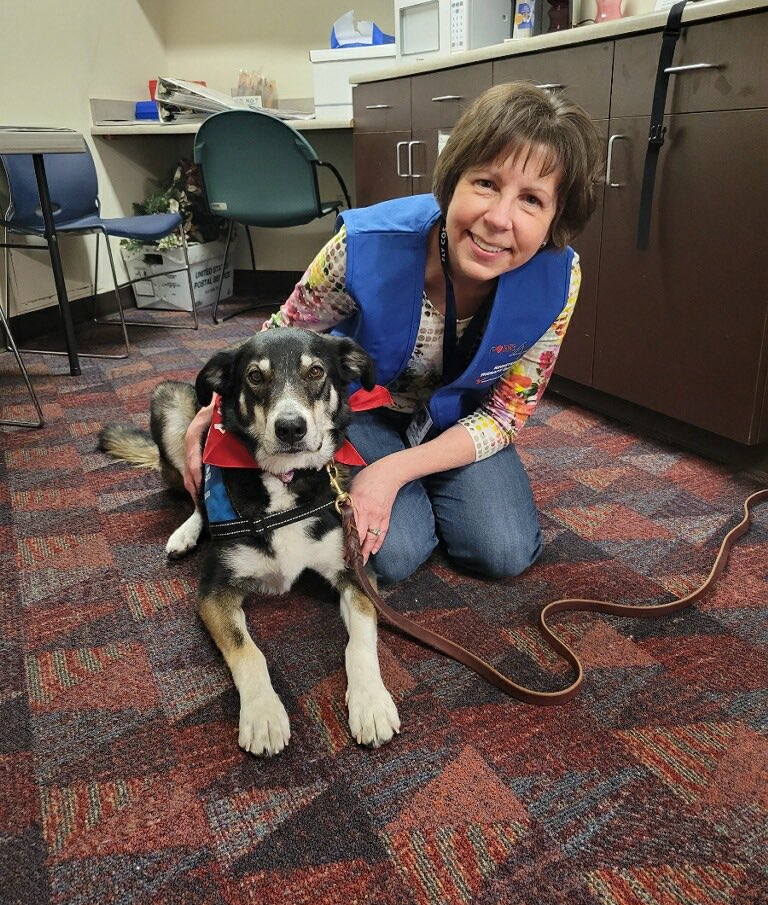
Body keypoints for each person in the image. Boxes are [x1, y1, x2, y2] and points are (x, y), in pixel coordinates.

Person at [184, 81, 603, 584]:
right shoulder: (363, 247)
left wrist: (393, 472)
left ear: (556, 219)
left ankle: (419, 484)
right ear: (454, 179)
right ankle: (413, 497)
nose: (498, 219)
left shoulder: (560, 279)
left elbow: (506, 415)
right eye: (486, 184)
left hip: (460, 422)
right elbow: (278, 341)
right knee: (395, 554)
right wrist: (206, 420)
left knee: (502, 551)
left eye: (532, 200)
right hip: (367, 414)